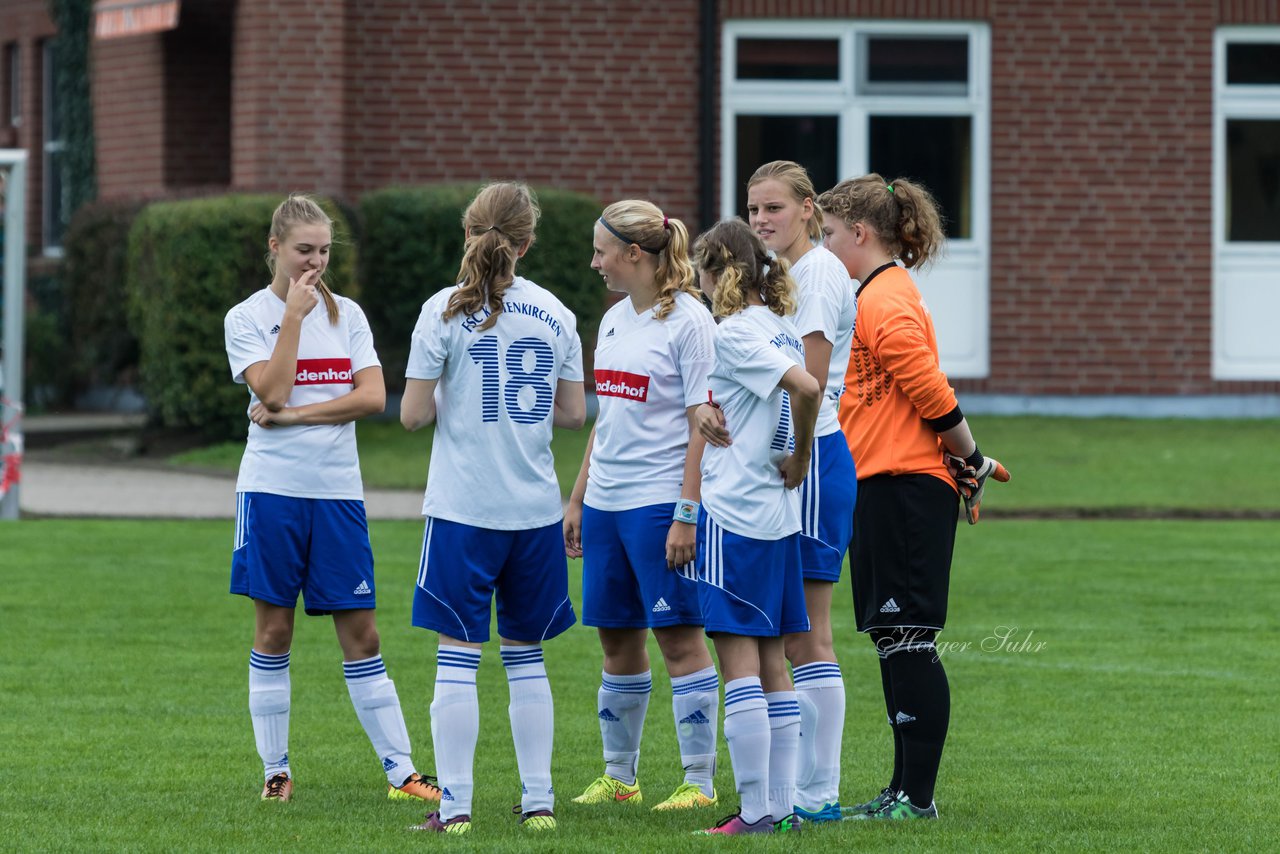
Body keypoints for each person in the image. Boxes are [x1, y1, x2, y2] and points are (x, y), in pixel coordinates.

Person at [223, 194, 439, 805]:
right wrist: (291, 317)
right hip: (271, 493)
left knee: (364, 634)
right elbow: (270, 387)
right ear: (275, 248)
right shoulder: (247, 317)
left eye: (323, 251)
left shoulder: (351, 317)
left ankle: (402, 773)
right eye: (303, 251)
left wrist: (294, 419)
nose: (315, 263)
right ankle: (276, 772)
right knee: (274, 630)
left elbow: (373, 398)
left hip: (338, 495)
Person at [815, 175, 1010, 820]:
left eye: (830, 234)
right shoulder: (875, 292)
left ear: (860, 234)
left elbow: (927, 386)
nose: (826, 245)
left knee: (907, 636)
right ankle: (901, 791)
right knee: (892, 636)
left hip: (904, 486)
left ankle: (915, 798)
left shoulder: (884, 296)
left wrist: (971, 456)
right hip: (884, 484)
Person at [400, 181, 586, 835]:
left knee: (457, 657)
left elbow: (413, 416)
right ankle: (539, 804)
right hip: (533, 512)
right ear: (528, 242)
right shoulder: (558, 313)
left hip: (462, 510)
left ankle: (454, 811)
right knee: (526, 656)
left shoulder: (443, 311)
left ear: (468, 234)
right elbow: (573, 414)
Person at [563, 200, 721, 813]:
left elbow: (702, 427)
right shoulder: (611, 321)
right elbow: (609, 419)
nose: (595, 261)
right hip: (605, 504)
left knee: (679, 639)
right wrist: (578, 497)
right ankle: (620, 777)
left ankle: (700, 783)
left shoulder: (690, 322)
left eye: (602, 250)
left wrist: (687, 511)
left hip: (660, 504)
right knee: (616, 640)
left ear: (635, 254)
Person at [689, 217, 820, 835]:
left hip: (733, 514)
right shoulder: (782, 328)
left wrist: (803, 455)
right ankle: (784, 806)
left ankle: (753, 813)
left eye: (701, 271)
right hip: (775, 515)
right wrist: (794, 456)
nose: (698, 282)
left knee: (737, 661)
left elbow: (806, 387)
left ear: (721, 273)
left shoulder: (736, 332)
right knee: (774, 663)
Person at [745, 161, 857, 824]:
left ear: (810, 209)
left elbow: (810, 384)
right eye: (754, 208)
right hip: (801, 458)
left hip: (812, 459)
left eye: (774, 208)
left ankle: (819, 792)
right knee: (793, 634)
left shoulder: (815, 273)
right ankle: (802, 788)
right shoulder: (788, 272)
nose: (762, 220)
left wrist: (799, 455)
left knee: (808, 637)